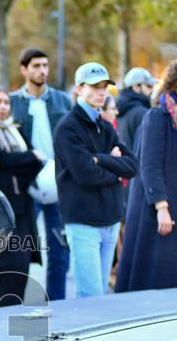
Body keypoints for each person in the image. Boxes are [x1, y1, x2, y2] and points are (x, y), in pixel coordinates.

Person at [116, 59, 177, 293]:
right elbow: (149, 165)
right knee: (157, 272)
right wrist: (161, 207)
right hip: (158, 206)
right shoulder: (157, 117)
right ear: (173, 87)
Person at [54, 62, 138, 298]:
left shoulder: (105, 126)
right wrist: (113, 166)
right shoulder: (67, 128)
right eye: (95, 86)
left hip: (109, 218)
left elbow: (132, 166)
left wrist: (100, 159)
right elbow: (85, 174)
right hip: (83, 221)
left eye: (104, 86)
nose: (102, 92)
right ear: (79, 88)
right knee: (90, 295)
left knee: (101, 293)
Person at [10, 47, 74, 301]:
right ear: (24, 69)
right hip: (27, 184)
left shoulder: (61, 100)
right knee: (21, 247)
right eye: (36, 66)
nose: (42, 71)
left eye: (45, 65)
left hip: (58, 183)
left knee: (59, 249)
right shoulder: (13, 102)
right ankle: (13, 300)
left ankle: (56, 302)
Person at [0, 86, 44, 308]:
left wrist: (24, 160)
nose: (3, 107)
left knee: (21, 269)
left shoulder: (16, 130)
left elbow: (35, 162)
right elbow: (1, 160)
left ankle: (11, 320)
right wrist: (26, 158)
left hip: (22, 209)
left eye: (6, 102)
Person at [116, 67, 157, 152]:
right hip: (136, 163)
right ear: (136, 86)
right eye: (149, 86)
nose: (152, 90)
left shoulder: (118, 109)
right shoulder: (142, 113)